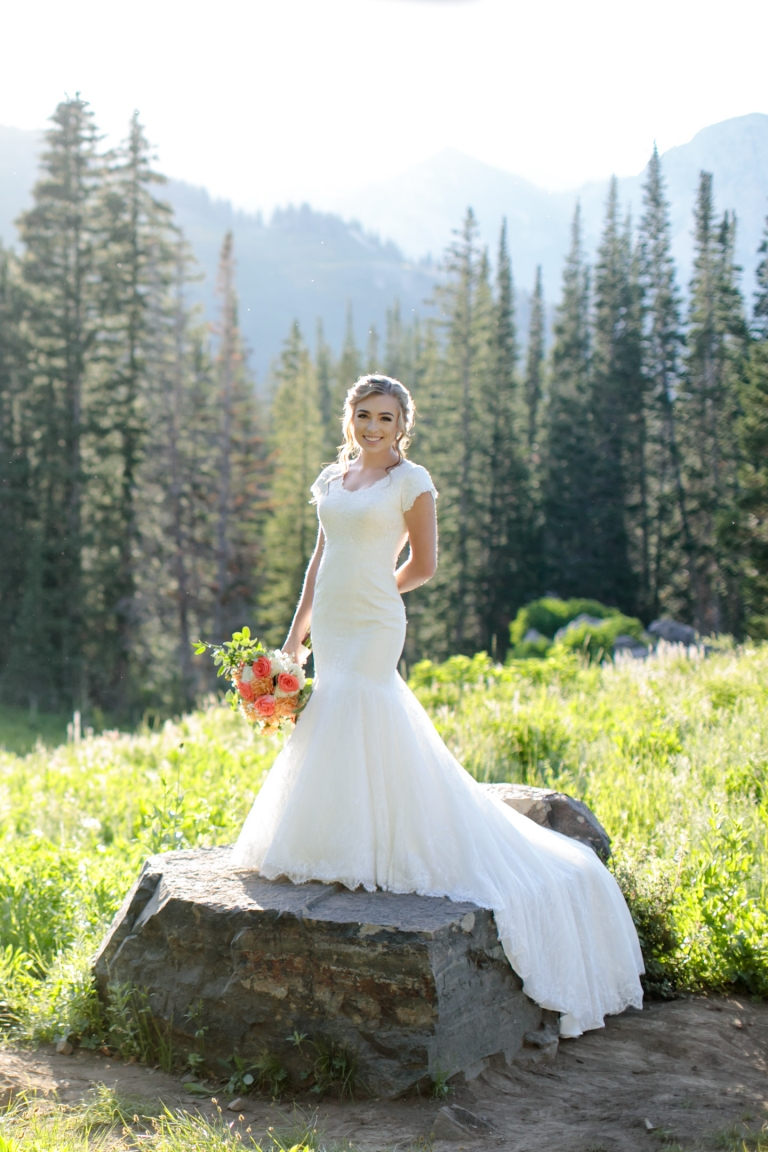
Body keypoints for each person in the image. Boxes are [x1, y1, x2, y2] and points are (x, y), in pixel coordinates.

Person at [232, 374, 644, 1037]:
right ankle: (337, 840)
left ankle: (384, 845)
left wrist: (376, 589)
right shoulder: (333, 479)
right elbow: (318, 562)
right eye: (364, 415)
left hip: (374, 618)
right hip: (331, 619)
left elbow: (422, 565)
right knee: (331, 710)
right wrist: (292, 640)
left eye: (385, 417)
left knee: (366, 703)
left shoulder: (411, 481)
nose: (373, 427)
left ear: (403, 424)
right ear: (349, 420)